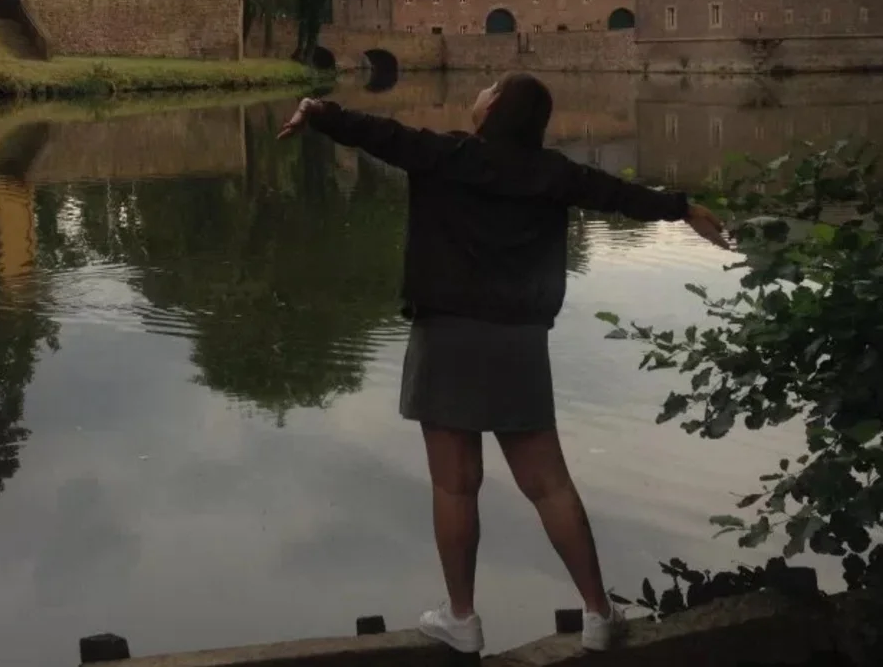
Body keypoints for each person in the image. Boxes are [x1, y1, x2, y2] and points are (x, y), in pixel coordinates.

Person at [278, 73, 727, 655]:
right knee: (549, 485)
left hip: (445, 338)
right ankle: (597, 613)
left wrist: (317, 109)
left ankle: (461, 620)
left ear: (493, 109)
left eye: (487, 91)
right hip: (518, 344)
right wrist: (683, 207)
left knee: (455, 486)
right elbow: (619, 195)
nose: (478, 95)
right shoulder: (554, 174)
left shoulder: (444, 155)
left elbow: (375, 133)